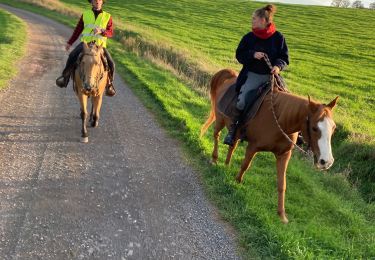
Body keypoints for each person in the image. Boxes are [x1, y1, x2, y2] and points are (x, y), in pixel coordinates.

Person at [224, 4, 289, 146]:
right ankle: (233, 131)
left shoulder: (279, 38)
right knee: (241, 102)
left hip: (271, 76)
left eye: (254, 18)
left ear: (264, 20)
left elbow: (284, 57)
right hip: (253, 75)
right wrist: (253, 54)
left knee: (288, 100)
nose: (252, 20)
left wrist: (278, 66)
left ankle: (293, 135)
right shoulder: (249, 38)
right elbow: (239, 55)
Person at [56, 0, 116, 96]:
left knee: (111, 63)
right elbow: (78, 30)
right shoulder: (85, 14)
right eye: (94, 0)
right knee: (72, 56)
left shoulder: (107, 16)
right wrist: (70, 42)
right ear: (91, 2)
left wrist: (101, 31)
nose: (97, 1)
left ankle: (109, 85)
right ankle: (65, 78)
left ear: (102, 2)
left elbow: (111, 33)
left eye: (99, 0)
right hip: (86, 44)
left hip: (100, 46)